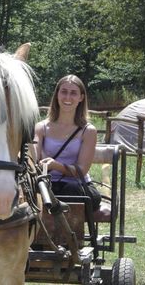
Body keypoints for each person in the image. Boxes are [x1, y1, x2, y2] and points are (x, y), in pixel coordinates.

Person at [34, 74, 101, 210]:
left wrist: (56, 165)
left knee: (70, 191)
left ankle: (67, 231)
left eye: (73, 93)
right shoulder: (41, 128)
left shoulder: (88, 131)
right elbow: (33, 158)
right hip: (47, 183)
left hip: (77, 186)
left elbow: (81, 170)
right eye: (64, 92)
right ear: (57, 94)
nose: (67, 98)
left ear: (81, 98)